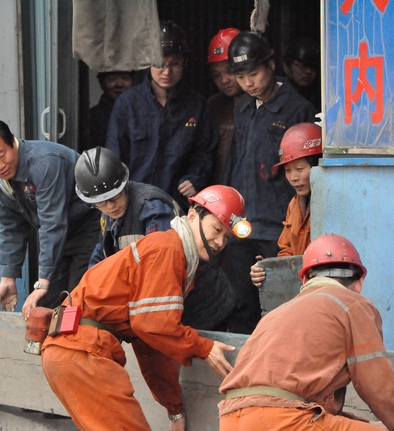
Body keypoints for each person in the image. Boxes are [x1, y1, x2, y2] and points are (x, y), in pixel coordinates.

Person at [41, 185, 252, 431]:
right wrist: (204, 347)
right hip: (82, 352)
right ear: (193, 216)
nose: (220, 242)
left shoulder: (172, 254)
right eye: (216, 229)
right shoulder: (167, 249)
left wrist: (174, 409)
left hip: (68, 351)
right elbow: (153, 325)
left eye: (227, 237)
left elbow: (151, 341)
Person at [219, 234, 394, 431]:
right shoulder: (353, 304)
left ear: (305, 280)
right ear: (360, 282)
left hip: (231, 419)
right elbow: (378, 386)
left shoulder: (275, 314)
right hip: (282, 418)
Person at [75, 146, 236, 330]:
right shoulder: (108, 214)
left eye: (115, 196)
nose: (110, 206)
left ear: (124, 184)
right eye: (101, 202)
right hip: (171, 305)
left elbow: (160, 271)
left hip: (202, 304)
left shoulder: (153, 209)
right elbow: (101, 257)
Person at [222, 31, 318, 334]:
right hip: (242, 225)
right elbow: (234, 163)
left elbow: (307, 172)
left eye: (254, 73)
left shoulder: (297, 108)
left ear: (271, 65)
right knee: (241, 302)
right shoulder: (243, 109)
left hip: (279, 226)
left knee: (282, 304)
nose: (248, 83)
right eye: (241, 77)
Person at [0, 118, 101, 319]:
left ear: (13, 143)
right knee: (46, 305)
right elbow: (11, 227)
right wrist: (8, 277)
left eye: (2, 155)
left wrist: (42, 283)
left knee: (78, 301)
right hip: (58, 240)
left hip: (88, 230)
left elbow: (52, 223)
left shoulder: (44, 162)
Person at [107, 21, 218, 211]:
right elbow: (114, 157)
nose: (167, 72)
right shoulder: (128, 103)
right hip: (134, 203)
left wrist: (195, 179)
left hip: (177, 204)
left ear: (184, 64)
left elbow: (205, 152)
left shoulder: (196, 104)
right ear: (148, 63)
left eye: (175, 64)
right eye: (160, 64)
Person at [250, 122, 323, 288]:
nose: (293, 178)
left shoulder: (332, 203)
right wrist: (267, 269)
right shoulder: (294, 204)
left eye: (299, 169)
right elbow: (287, 251)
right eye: (288, 171)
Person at [206, 28, 245, 185]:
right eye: (217, 75)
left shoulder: (263, 105)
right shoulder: (213, 107)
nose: (224, 80)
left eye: (229, 70)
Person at [89, 71, 135, 149]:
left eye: (125, 78)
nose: (119, 84)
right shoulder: (91, 118)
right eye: (112, 79)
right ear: (102, 84)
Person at [283, 37, 321, 111]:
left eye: (313, 67)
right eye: (303, 65)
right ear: (286, 66)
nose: (308, 71)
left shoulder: (319, 100)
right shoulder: (277, 98)